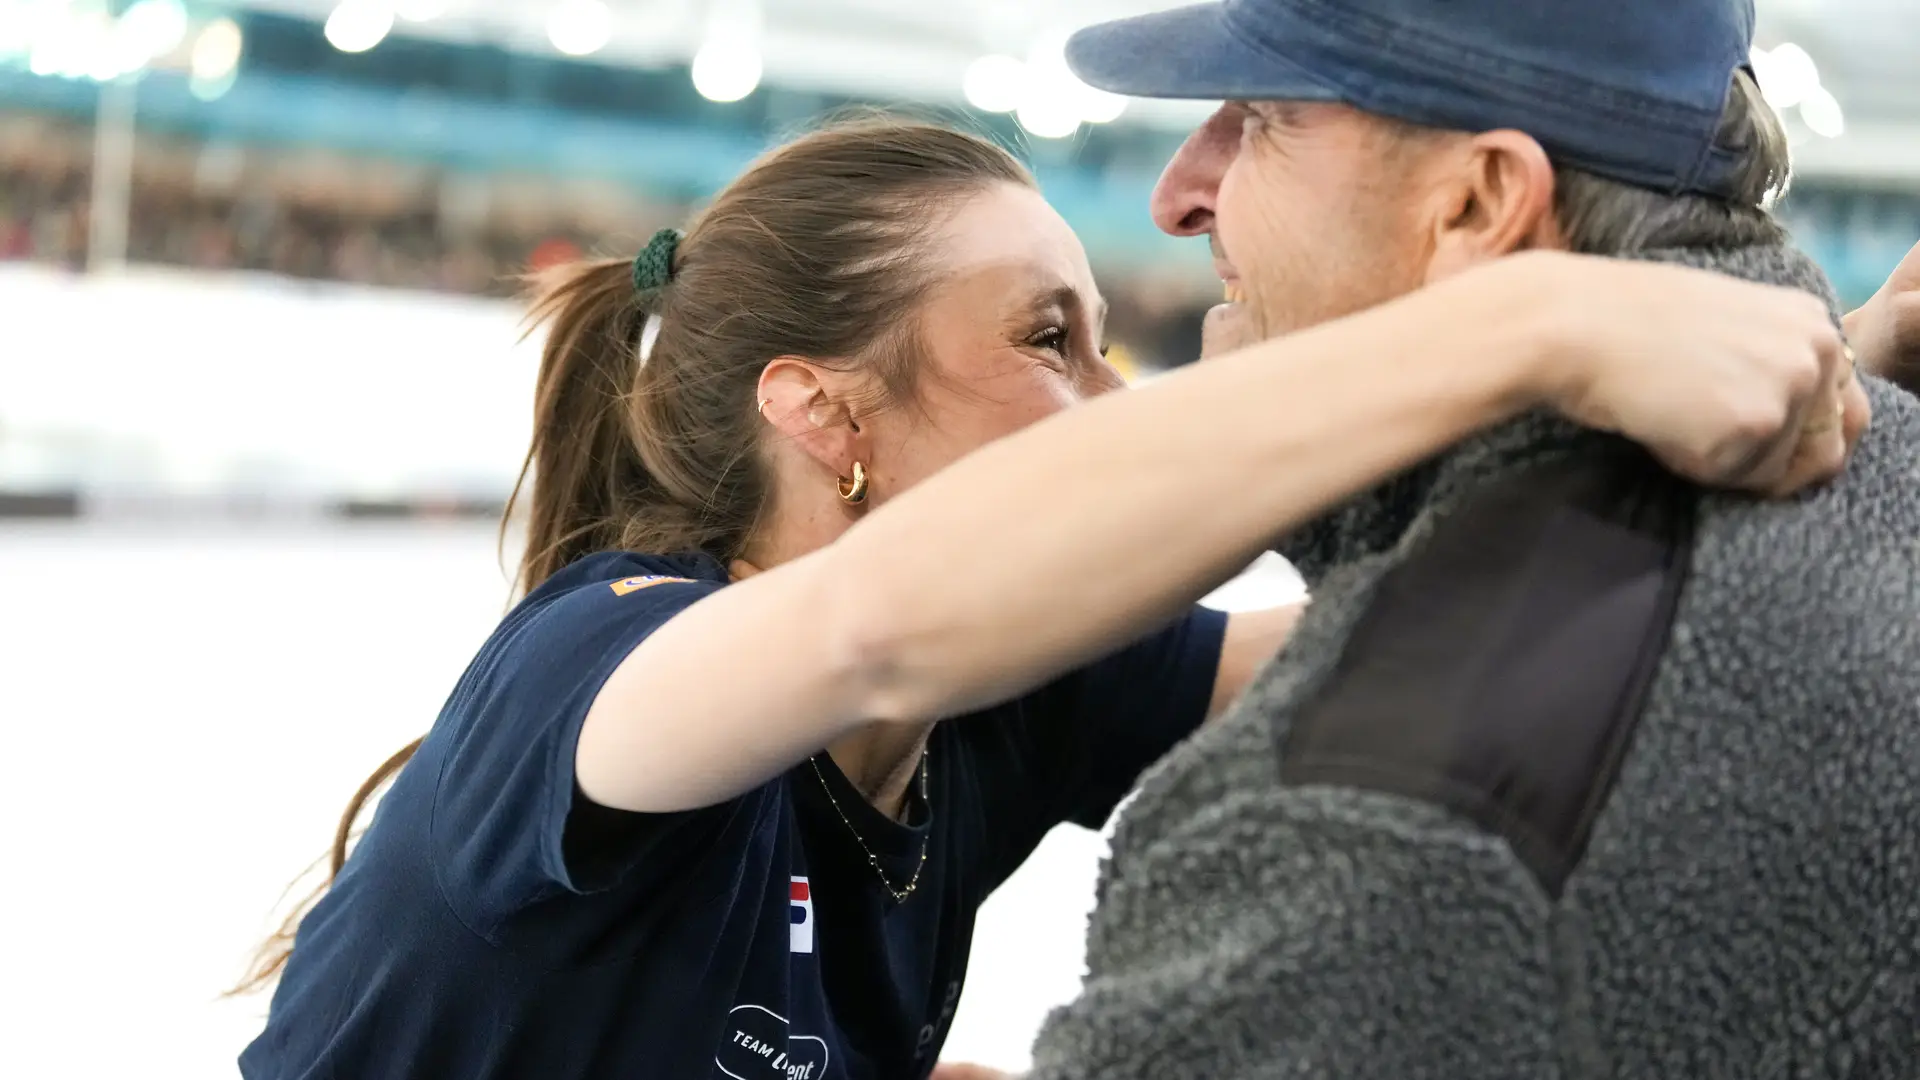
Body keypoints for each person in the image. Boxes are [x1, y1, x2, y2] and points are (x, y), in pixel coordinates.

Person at [235, 117, 1865, 1080]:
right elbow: (869, 624)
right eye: (1045, 340)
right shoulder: (602, 663)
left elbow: (1428, 617)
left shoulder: (997, 700)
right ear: (825, 414)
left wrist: (1835, 376)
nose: (1111, 391)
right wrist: (1532, 330)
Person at [983, 2, 1920, 1079]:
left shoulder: (1362, 829)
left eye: (1262, 119)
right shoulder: (1881, 465)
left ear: (1479, 203)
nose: (1179, 193)